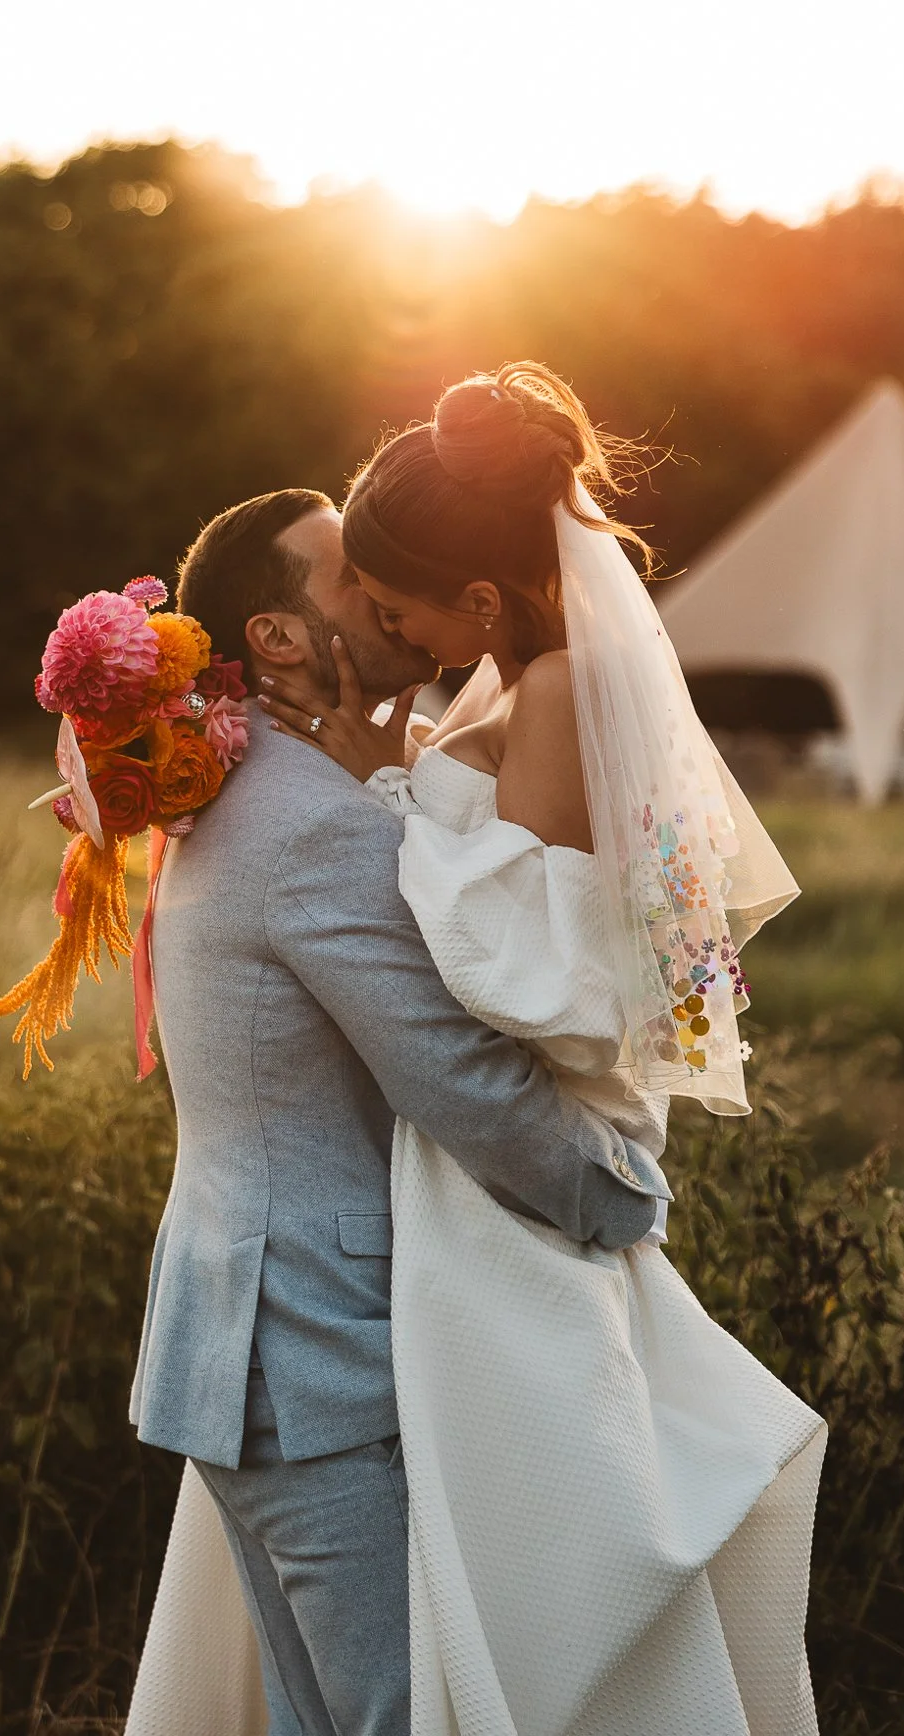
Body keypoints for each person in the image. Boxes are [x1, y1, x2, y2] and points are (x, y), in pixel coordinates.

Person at [123, 484, 670, 1736]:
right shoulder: (314, 825)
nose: (376, 596)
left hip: (256, 1349)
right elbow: (459, 1079)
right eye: (342, 583)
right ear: (275, 637)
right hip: (317, 1359)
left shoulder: (244, 792)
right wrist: (619, 1189)